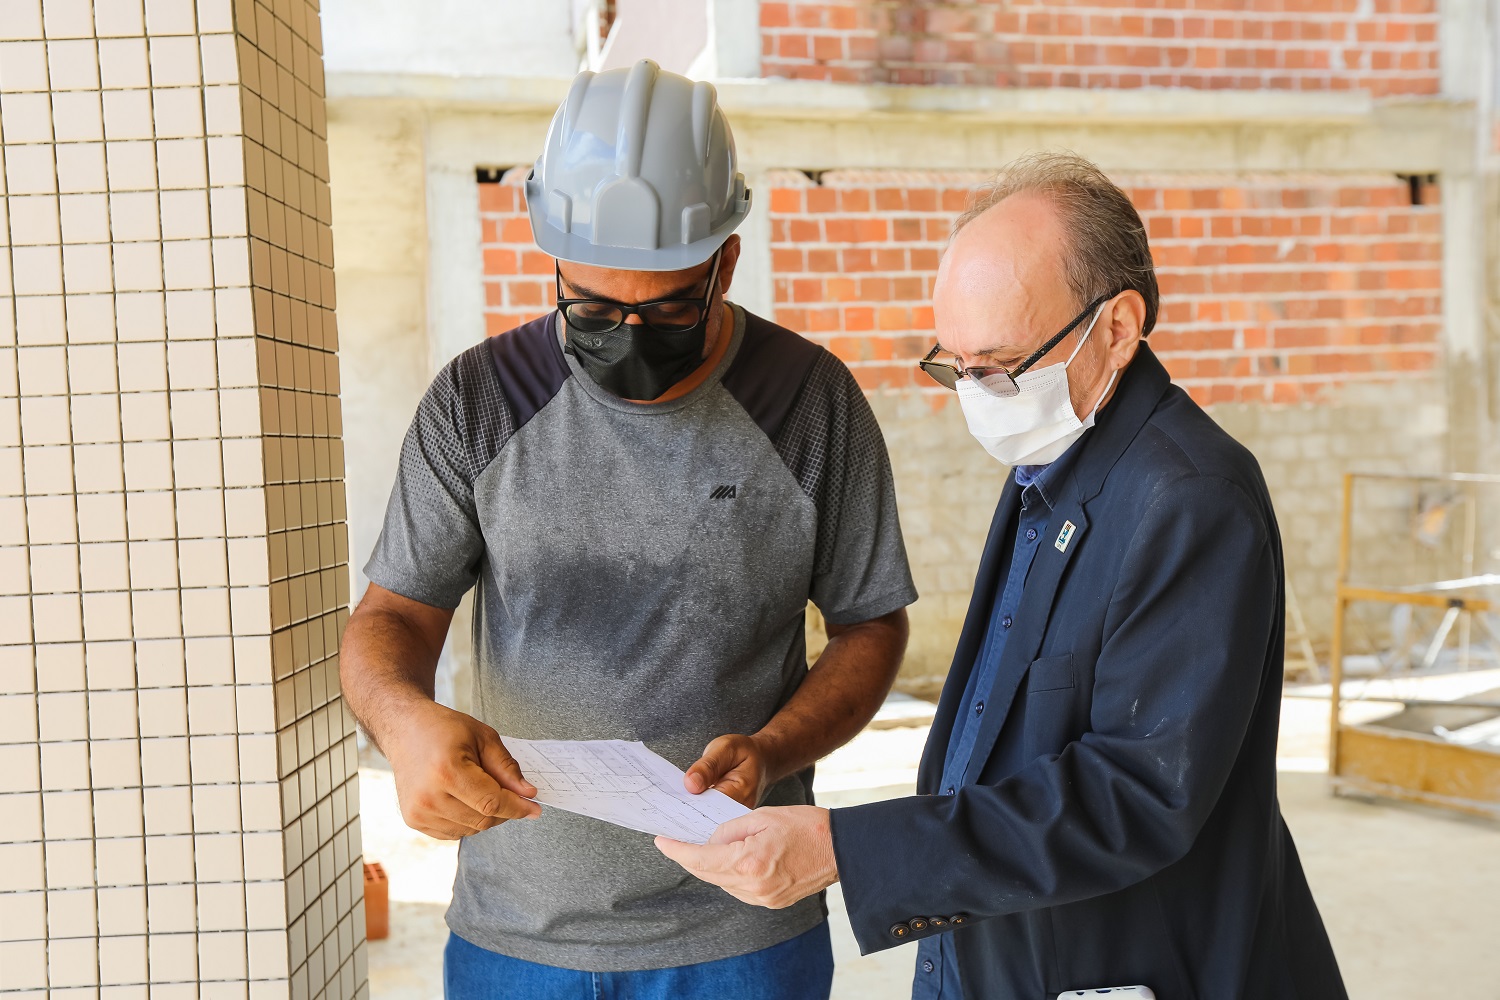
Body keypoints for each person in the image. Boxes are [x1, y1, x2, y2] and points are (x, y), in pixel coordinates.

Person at [657, 152, 1348, 1000]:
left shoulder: (1190, 499)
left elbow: (1137, 791)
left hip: (1130, 963)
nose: (978, 395)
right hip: (998, 945)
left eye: (999, 366)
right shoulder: (1056, 459)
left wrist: (848, 848)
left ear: (1119, 328)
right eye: (955, 366)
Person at [338, 59, 917, 1000]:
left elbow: (870, 626)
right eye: (596, 308)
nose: (630, 334)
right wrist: (406, 725)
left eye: (670, 306)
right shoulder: (479, 403)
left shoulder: (809, 405)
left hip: (744, 933)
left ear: (727, 258)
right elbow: (390, 618)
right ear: (553, 259)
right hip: (518, 941)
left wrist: (773, 751)